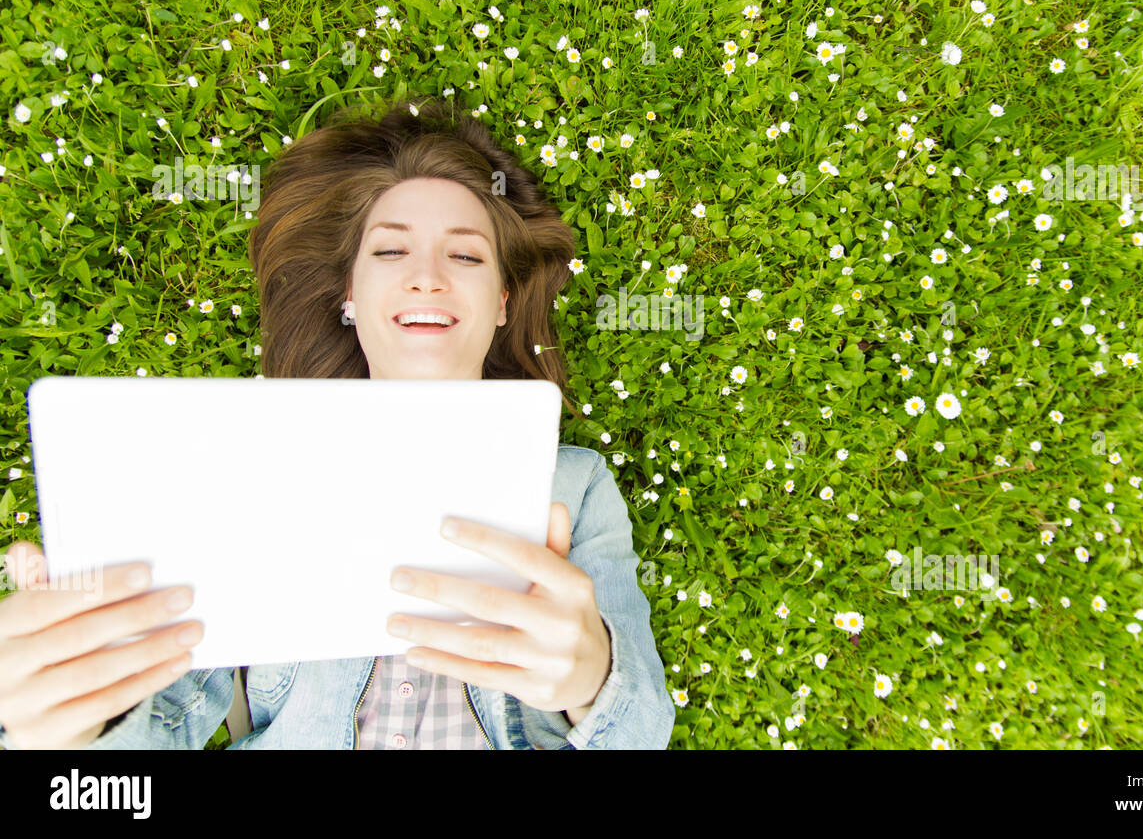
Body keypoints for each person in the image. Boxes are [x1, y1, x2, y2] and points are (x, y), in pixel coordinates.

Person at [0, 95, 675, 749]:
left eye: (465, 255)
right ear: (350, 297)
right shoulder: (249, 469)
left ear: (501, 302)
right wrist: (71, 726)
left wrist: (590, 679)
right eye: (389, 252)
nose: (427, 277)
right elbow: (160, 721)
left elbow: (642, 730)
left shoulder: (577, 488)